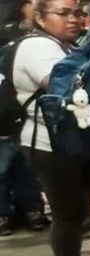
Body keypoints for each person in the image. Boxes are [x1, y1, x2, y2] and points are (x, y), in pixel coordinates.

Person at [13, 0, 90, 256]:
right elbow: (65, 86)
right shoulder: (37, 47)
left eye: (78, 13)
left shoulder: (63, 45)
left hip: (68, 142)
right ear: (39, 17)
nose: (73, 20)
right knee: (67, 215)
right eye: (63, 13)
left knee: (77, 214)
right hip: (49, 144)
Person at [0, 0, 49, 237]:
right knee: (22, 166)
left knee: (8, 165)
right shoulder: (24, 36)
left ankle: (6, 214)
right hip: (18, 110)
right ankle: (30, 211)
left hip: (8, 111)